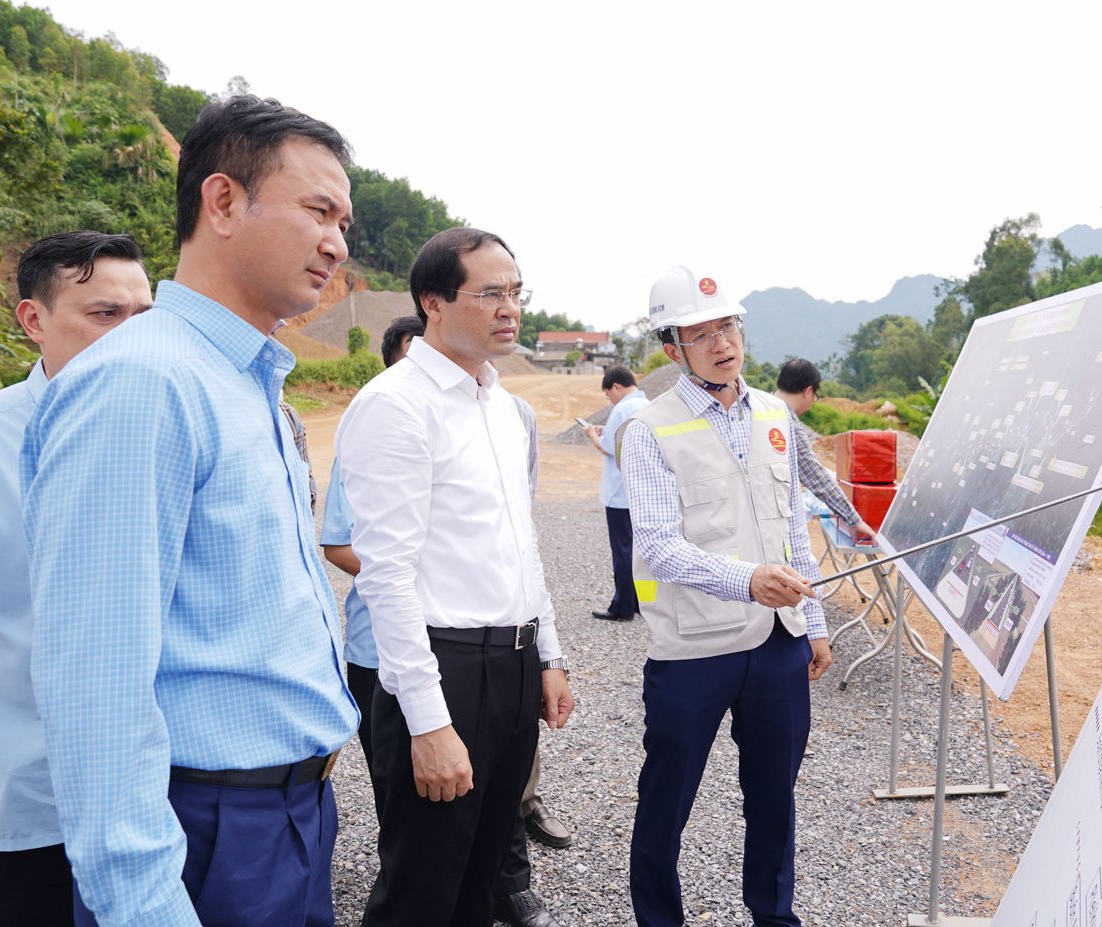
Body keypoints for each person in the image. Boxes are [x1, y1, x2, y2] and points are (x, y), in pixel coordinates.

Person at [21, 96, 361, 927]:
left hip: (293, 813)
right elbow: (96, 679)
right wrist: (141, 903)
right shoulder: (145, 383)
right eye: (319, 209)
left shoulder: (246, 381)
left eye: (345, 220)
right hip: (207, 827)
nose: (339, 242)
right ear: (222, 202)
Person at [337, 227, 574, 927]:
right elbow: (387, 575)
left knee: (479, 882)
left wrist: (549, 654)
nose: (510, 308)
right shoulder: (396, 405)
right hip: (443, 669)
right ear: (432, 301)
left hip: (514, 663)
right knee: (421, 888)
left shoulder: (502, 406)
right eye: (491, 293)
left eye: (516, 292)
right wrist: (429, 721)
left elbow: (519, 542)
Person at [0, 231, 151, 927]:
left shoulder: (164, 433)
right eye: (104, 314)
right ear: (33, 321)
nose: (131, 337)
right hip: (33, 806)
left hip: (155, 799)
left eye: (143, 317)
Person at [619, 266, 831, 927]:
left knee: (774, 799)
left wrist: (813, 619)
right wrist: (746, 580)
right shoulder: (650, 427)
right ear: (671, 347)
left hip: (777, 644)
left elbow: (791, 523)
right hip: (692, 648)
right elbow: (656, 544)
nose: (721, 342)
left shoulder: (773, 412)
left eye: (729, 326)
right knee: (666, 799)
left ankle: (774, 914)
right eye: (702, 332)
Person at [773, 357, 877, 542]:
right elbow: (814, 476)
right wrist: (853, 519)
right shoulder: (785, 422)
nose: (814, 401)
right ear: (808, 391)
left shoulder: (757, 409)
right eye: (816, 396)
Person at [581, 364, 649, 620]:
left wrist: (591, 434)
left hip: (619, 494)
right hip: (640, 492)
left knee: (622, 551)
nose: (609, 400)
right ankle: (640, 603)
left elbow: (608, 448)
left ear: (617, 387)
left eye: (608, 394)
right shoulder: (648, 405)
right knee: (640, 553)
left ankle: (621, 607)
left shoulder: (621, 409)